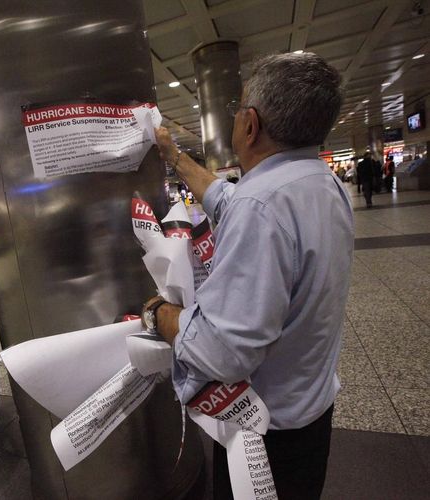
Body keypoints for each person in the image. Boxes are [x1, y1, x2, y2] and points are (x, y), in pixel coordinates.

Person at [145, 52, 354, 499]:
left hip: (266, 433)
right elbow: (226, 198)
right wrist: (174, 157)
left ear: (250, 125)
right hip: (312, 412)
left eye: (238, 108)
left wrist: (159, 315)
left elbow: (224, 352)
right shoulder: (324, 183)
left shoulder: (261, 205)